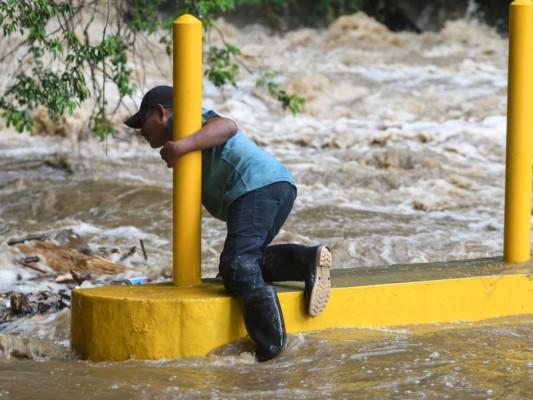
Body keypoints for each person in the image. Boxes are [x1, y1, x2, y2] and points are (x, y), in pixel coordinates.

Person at [124, 86, 332, 361]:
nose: (140, 129)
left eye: (143, 121)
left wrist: (182, 145)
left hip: (255, 186)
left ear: (162, 113)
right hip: (274, 186)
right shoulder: (188, 139)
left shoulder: (182, 122)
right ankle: (306, 260)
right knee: (240, 267)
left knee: (237, 265)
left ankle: (272, 351)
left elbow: (227, 126)